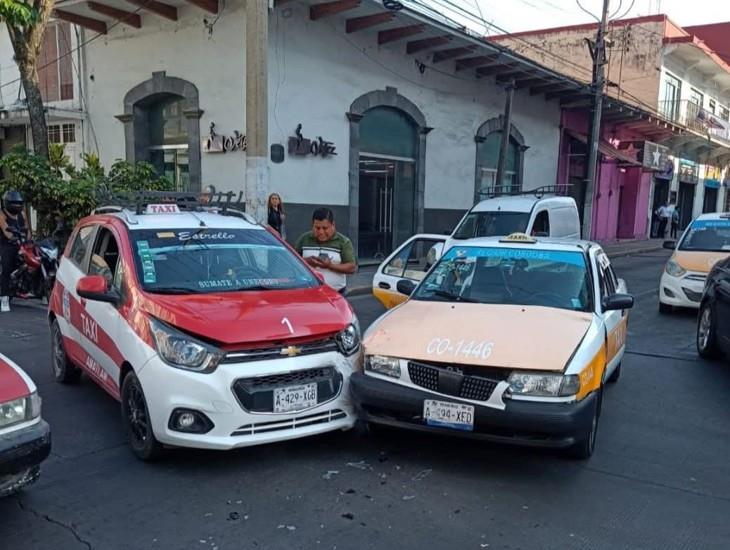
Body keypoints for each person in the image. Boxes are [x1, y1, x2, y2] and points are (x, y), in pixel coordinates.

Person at [295, 208, 356, 293]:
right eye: (317, 228)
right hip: (308, 293)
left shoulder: (343, 242)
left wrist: (330, 266)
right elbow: (292, 262)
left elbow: (352, 267)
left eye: (325, 228)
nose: (321, 232)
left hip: (337, 294)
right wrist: (306, 262)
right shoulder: (304, 239)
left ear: (333, 225)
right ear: (312, 225)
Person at [0, 190, 31, 312]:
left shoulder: (22, 214)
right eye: (14, 203)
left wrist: (28, 240)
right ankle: (4, 298)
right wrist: (13, 237)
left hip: (21, 243)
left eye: (19, 203)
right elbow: (6, 231)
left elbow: (27, 229)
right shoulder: (1, 215)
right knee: (6, 268)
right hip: (6, 244)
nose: (17, 206)